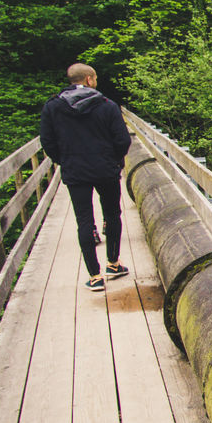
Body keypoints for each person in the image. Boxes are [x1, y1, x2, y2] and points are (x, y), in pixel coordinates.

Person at [39, 63, 132, 291]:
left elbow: (47, 142)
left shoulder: (52, 107)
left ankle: (94, 276)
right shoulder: (107, 106)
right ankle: (113, 263)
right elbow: (123, 141)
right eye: (96, 78)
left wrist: (65, 160)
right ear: (89, 79)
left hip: (75, 170)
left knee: (84, 221)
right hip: (105, 170)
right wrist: (113, 159)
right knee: (112, 214)